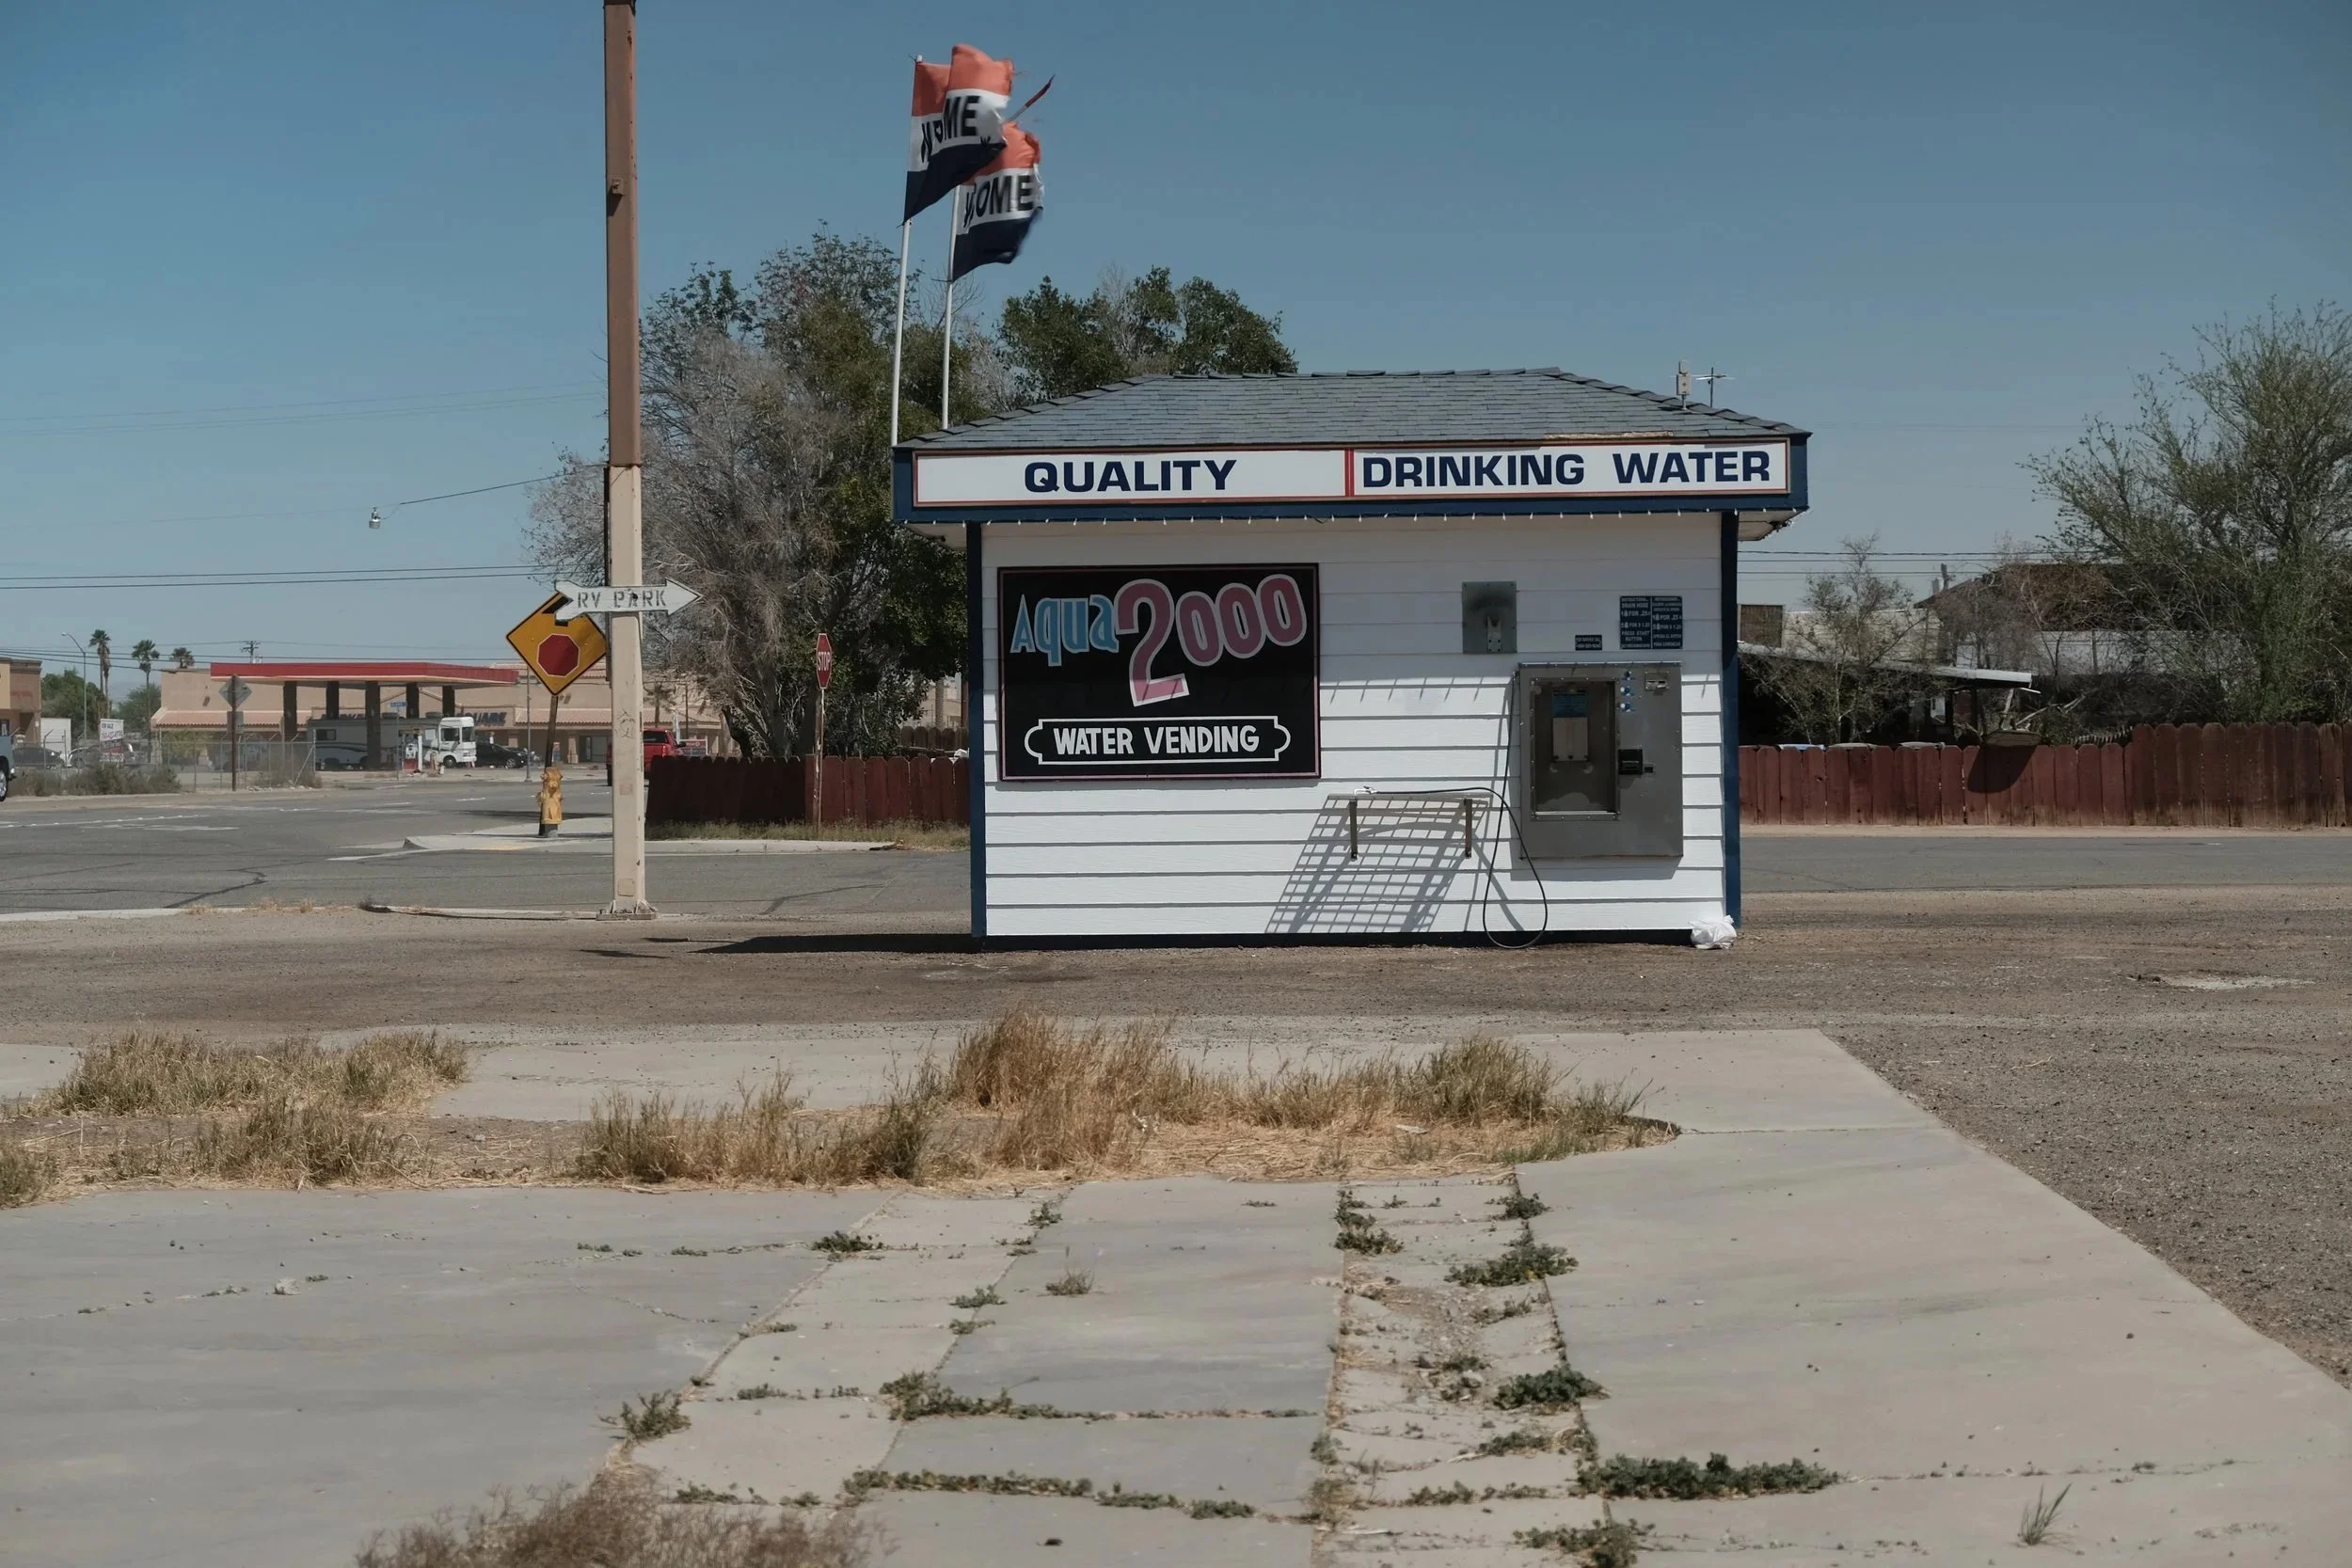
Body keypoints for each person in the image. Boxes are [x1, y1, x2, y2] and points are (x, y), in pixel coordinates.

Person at [538, 763, 564, 837]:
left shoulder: (553, 782)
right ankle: (548, 832)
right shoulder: (546, 782)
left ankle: (551, 833)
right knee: (547, 814)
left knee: (551, 815)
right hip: (548, 802)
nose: (543, 775)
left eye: (546, 773)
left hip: (552, 803)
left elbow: (554, 786)